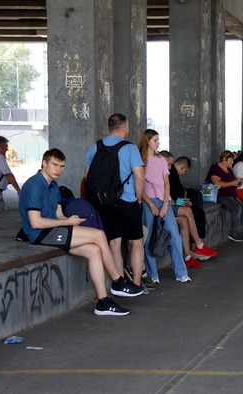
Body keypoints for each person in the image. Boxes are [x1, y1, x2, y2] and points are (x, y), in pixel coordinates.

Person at [20, 149, 143, 316]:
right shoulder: (34, 185)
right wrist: (67, 223)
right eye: (55, 165)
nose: (59, 169)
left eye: (62, 166)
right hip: (40, 234)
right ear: (44, 163)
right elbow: (36, 222)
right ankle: (118, 281)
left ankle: (103, 302)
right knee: (99, 235)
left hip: (55, 229)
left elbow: (58, 215)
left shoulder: (54, 186)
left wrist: (71, 220)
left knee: (95, 250)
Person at [85, 114, 147, 289]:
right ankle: (136, 283)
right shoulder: (130, 148)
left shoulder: (95, 147)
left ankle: (119, 282)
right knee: (136, 242)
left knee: (114, 242)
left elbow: (87, 177)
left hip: (104, 203)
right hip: (127, 202)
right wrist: (139, 198)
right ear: (124, 128)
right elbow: (139, 177)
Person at [137, 129, 192, 283]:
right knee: (149, 239)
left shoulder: (161, 159)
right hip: (148, 201)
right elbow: (139, 187)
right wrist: (151, 205)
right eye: (155, 140)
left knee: (174, 235)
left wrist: (165, 205)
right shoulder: (139, 159)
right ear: (147, 140)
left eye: (158, 140)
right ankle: (153, 274)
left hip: (164, 200)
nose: (158, 142)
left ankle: (181, 272)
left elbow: (166, 183)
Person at [162, 153, 217, 266]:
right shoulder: (167, 173)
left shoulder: (169, 173)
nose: (170, 167)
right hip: (163, 206)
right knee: (188, 210)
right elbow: (167, 199)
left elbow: (172, 196)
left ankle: (187, 257)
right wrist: (182, 201)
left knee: (186, 219)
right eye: (168, 164)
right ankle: (199, 245)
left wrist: (182, 200)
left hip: (170, 203)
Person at [206, 150, 243, 242]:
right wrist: (232, 183)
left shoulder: (229, 170)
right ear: (224, 159)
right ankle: (232, 232)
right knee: (236, 208)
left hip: (232, 195)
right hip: (221, 195)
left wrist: (240, 181)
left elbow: (236, 182)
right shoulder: (215, 168)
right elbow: (216, 183)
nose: (233, 162)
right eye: (231, 160)